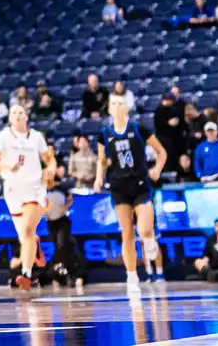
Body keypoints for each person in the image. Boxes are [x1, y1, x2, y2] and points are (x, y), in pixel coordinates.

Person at [95, 93, 165, 290]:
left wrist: (157, 169)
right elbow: (101, 161)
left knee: (144, 229)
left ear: (126, 108)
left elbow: (162, 152)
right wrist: (99, 177)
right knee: (126, 233)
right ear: (109, 108)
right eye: (113, 103)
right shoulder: (104, 134)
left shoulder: (139, 129)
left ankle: (150, 240)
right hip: (119, 187)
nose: (117, 106)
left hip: (140, 183)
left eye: (120, 103)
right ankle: (132, 275)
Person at [0, 104, 56, 290]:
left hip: (34, 188)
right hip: (12, 190)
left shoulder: (35, 136)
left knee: (28, 230)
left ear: (26, 117)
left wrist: (50, 168)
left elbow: (49, 159)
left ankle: (26, 274)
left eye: (21, 112)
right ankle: (34, 248)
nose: (18, 115)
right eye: (14, 112)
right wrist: (6, 164)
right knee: (25, 237)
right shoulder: (3, 136)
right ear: (10, 117)